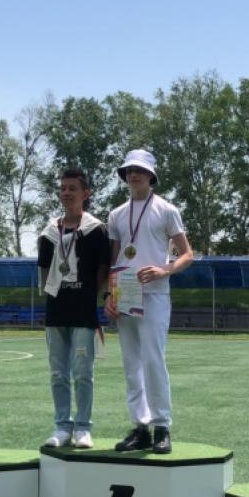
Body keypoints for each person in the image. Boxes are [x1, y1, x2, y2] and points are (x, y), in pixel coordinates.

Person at [104, 150, 193, 453]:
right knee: (132, 364)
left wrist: (164, 269)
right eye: (129, 170)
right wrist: (109, 296)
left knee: (153, 360)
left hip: (155, 294)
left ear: (151, 175)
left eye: (140, 170)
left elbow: (187, 254)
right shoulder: (116, 214)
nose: (134, 175)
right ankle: (140, 427)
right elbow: (115, 259)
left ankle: (162, 426)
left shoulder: (167, 210)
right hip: (125, 295)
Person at [37, 168, 109, 449]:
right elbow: (44, 271)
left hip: (83, 313)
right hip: (56, 313)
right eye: (63, 188)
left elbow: (103, 269)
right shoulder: (49, 233)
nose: (66, 193)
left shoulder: (96, 230)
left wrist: (94, 296)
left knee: (82, 373)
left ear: (85, 194)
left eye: (72, 188)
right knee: (58, 373)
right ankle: (62, 427)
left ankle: (83, 428)